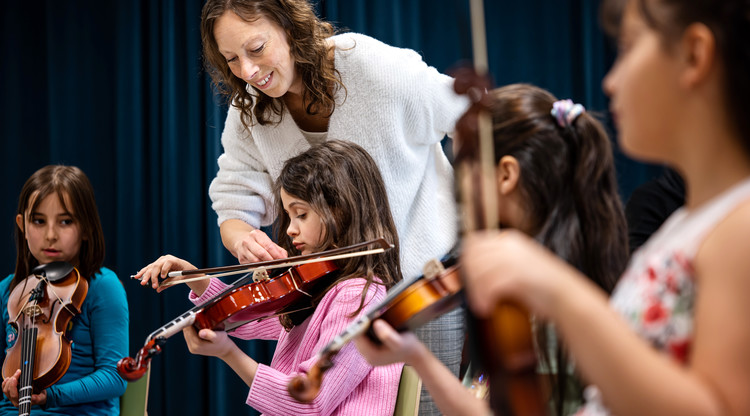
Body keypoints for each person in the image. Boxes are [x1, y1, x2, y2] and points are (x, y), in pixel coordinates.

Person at [460, 0, 750, 415]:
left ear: (694, 54)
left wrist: (556, 289)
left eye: (628, 48)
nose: (610, 82)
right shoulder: (685, 224)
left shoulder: (741, 226)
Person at [198, 2, 468, 413]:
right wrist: (244, 239)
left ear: (290, 27)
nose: (248, 72)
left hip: (425, 293)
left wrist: (476, 212)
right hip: (341, 297)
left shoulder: (373, 67)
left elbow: (472, 115)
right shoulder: (251, 108)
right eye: (231, 59)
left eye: (256, 48)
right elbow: (233, 204)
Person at [354, 84, 630, 415]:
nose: (459, 190)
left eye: (466, 171)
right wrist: (416, 356)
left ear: (505, 175)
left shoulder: (545, 301)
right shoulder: (516, 293)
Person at [136, 141, 404, 415]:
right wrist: (194, 276)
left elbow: (311, 400)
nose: (290, 229)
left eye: (301, 214)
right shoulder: (321, 286)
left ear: (342, 210)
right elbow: (246, 316)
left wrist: (228, 353)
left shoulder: (357, 296)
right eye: (288, 216)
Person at [0, 165, 129, 415]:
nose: (50, 235)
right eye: (38, 221)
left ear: (86, 229)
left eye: (65, 221)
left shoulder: (102, 285)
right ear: (22, 224)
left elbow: (115, 376)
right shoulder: (8, 289)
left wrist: (50, 396)